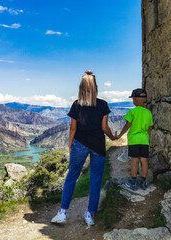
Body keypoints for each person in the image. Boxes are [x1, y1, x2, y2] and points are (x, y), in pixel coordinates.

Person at [51, 70, 117, 226]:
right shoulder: (103, 104)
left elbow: (73, 128)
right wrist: (113, 137)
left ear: (81, 87)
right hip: (98, 146)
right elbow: (104, 127)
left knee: (71, 178)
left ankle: (62, 212)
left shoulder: (76, 104)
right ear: (95, 87)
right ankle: (90, 213)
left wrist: (70, 145)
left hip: (80, 145)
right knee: (96, 179)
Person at [117, 88, 153, 191]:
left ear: (137, 99)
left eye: (133, 98)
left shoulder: (132, 112)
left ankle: (133, 182)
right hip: (144, 139)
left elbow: (127, 125)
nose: (132, 100)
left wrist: (119, 135)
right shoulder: (148, 113)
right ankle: (144, 181)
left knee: (135, 160)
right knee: (144, 160)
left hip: (134, 139)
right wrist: (147, 138)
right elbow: (149, 128)